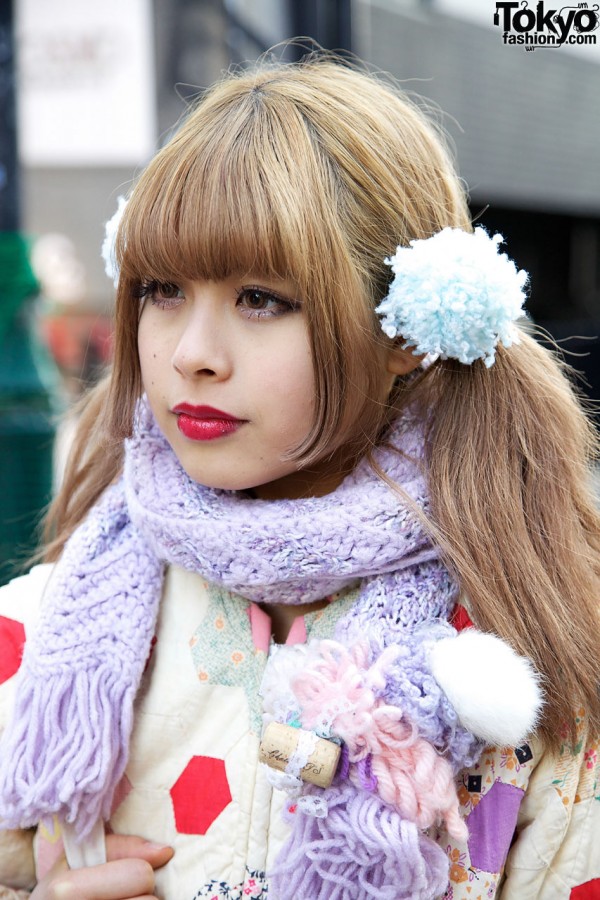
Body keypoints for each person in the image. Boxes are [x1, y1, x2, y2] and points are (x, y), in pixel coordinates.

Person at [0, 52, 599, 900]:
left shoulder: (532, 655)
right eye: (163, 290)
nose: (191, 354)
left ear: (409, 326)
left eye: (261, 299)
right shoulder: (48, 628)